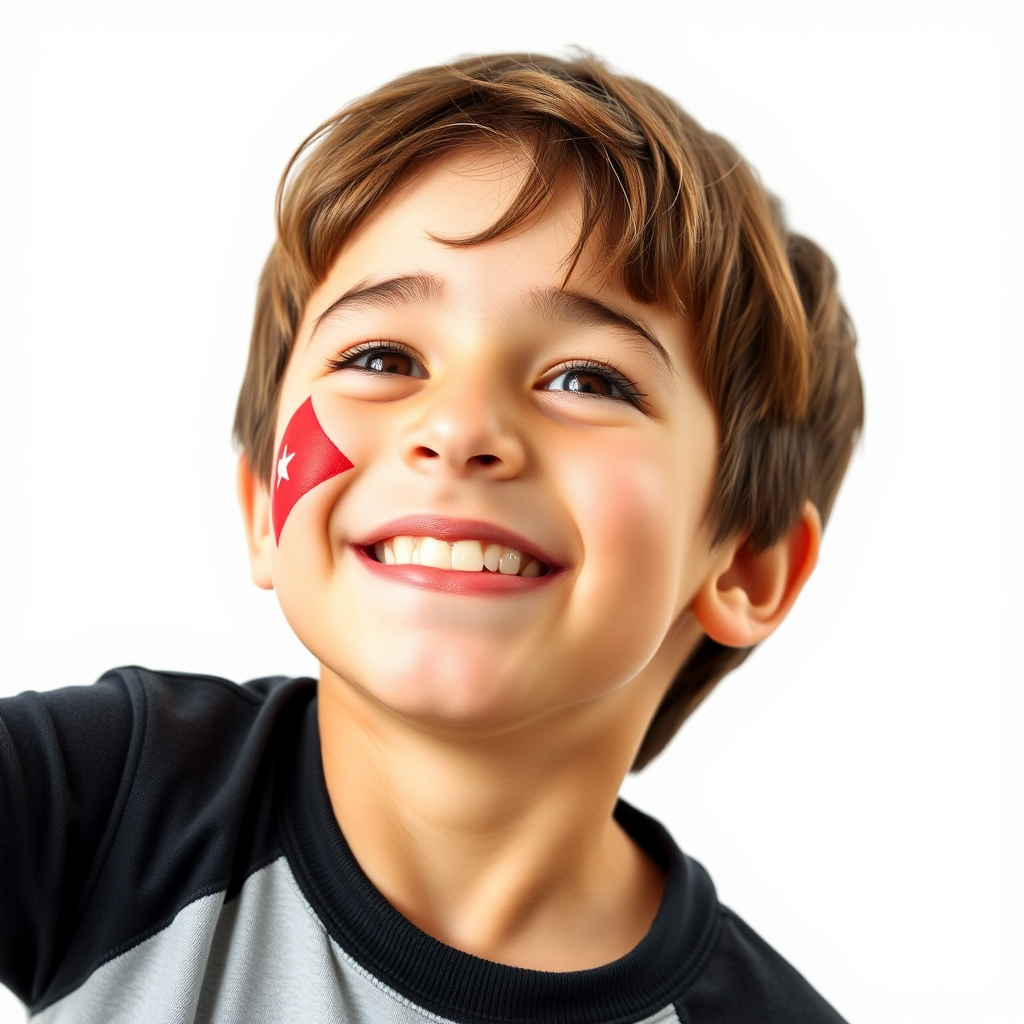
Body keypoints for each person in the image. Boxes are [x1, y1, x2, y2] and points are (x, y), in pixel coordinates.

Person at [0, 52, 863, 1022]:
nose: (456, 427)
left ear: (746, 565)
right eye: (381, 357)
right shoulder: (113, 794)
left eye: (587, 380)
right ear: (259, 508)